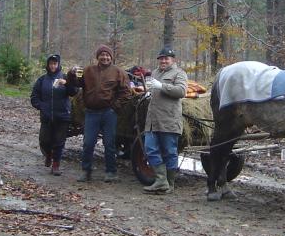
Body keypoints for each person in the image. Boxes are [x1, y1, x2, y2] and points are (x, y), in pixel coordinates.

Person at [77, 45, 132, 182]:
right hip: (91, 112)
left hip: (109, 113)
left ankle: (111, 172)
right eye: (102, 55)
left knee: (109, 143)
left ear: (111, 57)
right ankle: (86, 171)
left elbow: (126, 92)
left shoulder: (118, 72)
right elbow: (77, 84)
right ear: (98, 57)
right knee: (88, 143)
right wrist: (72, 75)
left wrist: (115, 107)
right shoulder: (88, 70)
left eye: (107, 55)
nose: (105, 57)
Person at [142, 47, 188, 194]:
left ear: (172, 60)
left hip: (169, 119)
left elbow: (181, 91)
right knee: (150, 148)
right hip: (152, 120)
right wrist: (149, 92)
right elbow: (153, 91)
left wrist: (162, 86)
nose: (163, 61)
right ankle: (161, 181)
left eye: (166, 58)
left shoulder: (179, 73)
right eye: (161, 58)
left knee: (170, 152)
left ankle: (170, 183)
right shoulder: (155, 73)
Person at [30, 54, 79, 176]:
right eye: (51, 63)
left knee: (59, 141)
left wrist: (66, 83)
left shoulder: (65, 77)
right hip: (47, 116)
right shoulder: (42, 80)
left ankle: (56, 165)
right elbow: (34, 97)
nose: (53, 66)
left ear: (58, 64)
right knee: (44, 141)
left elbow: (74, 92)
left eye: (55, 64)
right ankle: (48, 155)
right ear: (48, 65)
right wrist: (42, 106)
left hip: (62, 115)